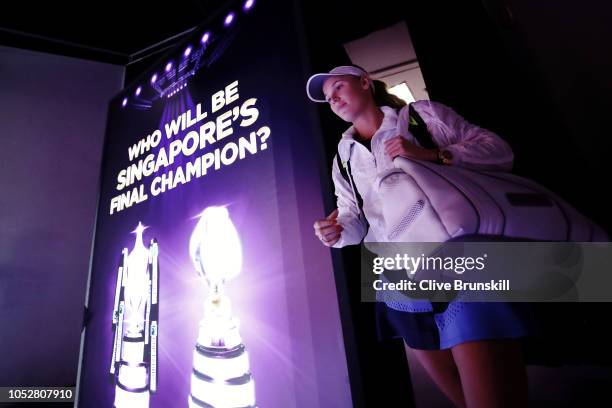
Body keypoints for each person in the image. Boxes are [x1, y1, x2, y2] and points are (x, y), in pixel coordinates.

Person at [308, 65, 536, 408]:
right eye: (328, 98)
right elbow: (355, 220)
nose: (334, 99)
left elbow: (499, 151)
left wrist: (429, 155)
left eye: (338, 87)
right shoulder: (343, 156)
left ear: (366, 83)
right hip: (397, 278)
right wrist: (337, 232)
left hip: (459, 261)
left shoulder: (419, 116)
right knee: (463, 399)